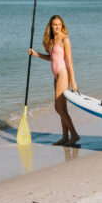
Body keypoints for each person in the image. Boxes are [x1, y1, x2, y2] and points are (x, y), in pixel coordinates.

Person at [28, 15, 80, 145]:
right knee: (63, 108)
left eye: (59, 24)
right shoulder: (53, 39)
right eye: (54, 25)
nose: (57, 27)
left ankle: (74, 135)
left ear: (62, 25)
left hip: (63, 74)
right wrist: (36, 54)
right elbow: (52, 58)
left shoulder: (65, 39)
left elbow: (70, 63)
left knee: (58, 107)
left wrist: (73, 82)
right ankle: (65, 137)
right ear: (50, 26)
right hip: (56, 75)